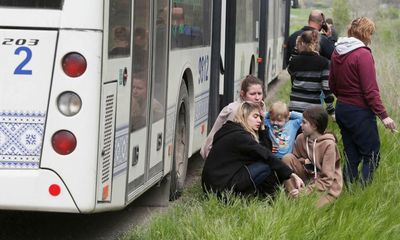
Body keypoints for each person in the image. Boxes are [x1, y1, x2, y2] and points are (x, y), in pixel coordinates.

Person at [329, 17, 397, 185]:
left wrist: (344, 99)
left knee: (351, 154)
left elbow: (332, 84)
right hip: (359, 111)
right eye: (371, 33)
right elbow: (370, 91)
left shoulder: (337, 51)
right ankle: (362, 189)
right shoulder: (363, 54)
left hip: (342, 109)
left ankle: (349, 191)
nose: (371, 37)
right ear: (366, 33)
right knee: (372, 154)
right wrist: (384, 115)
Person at [201, 102, 304, 197]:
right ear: (244, 116)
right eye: (255, 116)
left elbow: (266, 150)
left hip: (213, 185)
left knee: (266, 162)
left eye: (260, 117)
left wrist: (262, 128)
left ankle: (264, 196)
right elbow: (267, 155)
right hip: (221, 189)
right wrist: (291, 174)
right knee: (268, 165)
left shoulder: (230, 129)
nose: (259, 120)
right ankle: (270, 199)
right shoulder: (240, 137)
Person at [282, 106, 342, 208]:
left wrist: (305, 192)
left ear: (314, 126)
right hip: (308, 177)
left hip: (326, 186)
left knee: (311, 208)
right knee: (287, 158)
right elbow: (296, 160)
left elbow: (327, 179)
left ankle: (300, 197)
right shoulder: (301, 138)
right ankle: (292, 196)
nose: (301, 125)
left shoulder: (329, 145)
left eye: (304, 122)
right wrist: (305, 161)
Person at [200, 75, 266, 160]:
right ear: (242, 94)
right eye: (253, 94)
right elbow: (230, 141)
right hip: (218, 155)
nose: (257, 98)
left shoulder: (260, 106)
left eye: (259, 93)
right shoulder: (234, 110)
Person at [287, 30, 335, 116]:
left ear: (301, 43)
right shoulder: (324, 63)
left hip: (294, 107)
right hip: (313, 110)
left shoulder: (294, 61)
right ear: (317, 43)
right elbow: (326, 89)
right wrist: (331, 109)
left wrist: (296, 48)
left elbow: (290, 70)